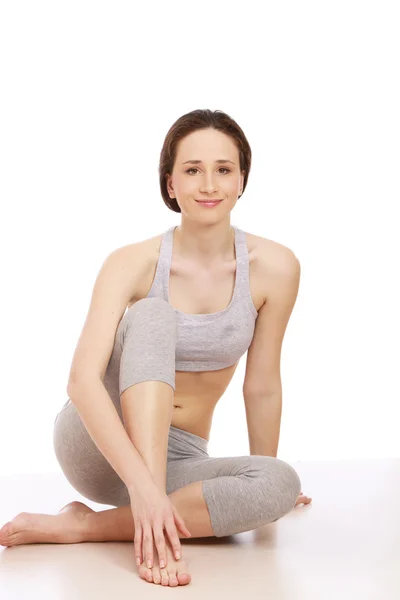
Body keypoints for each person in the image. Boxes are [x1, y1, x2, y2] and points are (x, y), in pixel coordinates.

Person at [0, 109, 311, 587]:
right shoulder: (132, 262)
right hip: (97, 443)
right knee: (152, 312)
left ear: (243, 179)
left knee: (281, 482)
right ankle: (146, 505)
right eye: (192, 170)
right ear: (170, 183)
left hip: (179, 459)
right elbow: (82, 382)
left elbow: (263, 382)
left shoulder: (275, 266)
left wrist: (260, 481)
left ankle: (87, 526)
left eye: (223, 169)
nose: (208, 184)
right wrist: (143, 487)